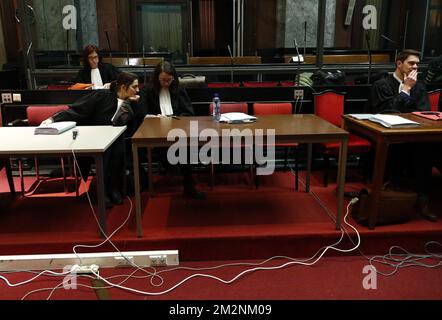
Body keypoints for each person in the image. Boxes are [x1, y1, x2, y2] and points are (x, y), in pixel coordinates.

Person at [41, 72, 142, 208]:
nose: (138, 90)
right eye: (134, 87)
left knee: (118, 151)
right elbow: (77, 110)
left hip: (119, 140)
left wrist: (132, 106)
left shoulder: (133, 102)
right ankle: (104, 191)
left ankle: (114, 188)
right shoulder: (102, 96)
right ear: (124, 87)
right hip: (97, 139)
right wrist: (52, 119)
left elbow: (135, 125)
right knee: (107, 154)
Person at [369, 49, 437, 222]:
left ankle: (423, 198)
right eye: (411, 63)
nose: (415, 67)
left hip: (414, 135)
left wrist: (406, 99)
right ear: (399, 64)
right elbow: (387, 112)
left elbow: (423, 112)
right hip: (388, 136)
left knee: (428, 149)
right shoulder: (382, 85)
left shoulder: (420, 86)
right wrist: (405, 90)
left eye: (417, 64)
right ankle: (393, 196)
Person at [140, 61, 206, 200]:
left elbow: (189, 112)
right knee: (168, 153)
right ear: (156, 78)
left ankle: (189, 186)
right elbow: (143, 115)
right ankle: (172, 171)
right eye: (162, 80)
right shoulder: (147, 90)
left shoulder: (178, 89)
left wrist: (174, 119)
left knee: (186, 149)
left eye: (169, 80)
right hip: (156, 133)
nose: (165, 83)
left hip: (177, 131)